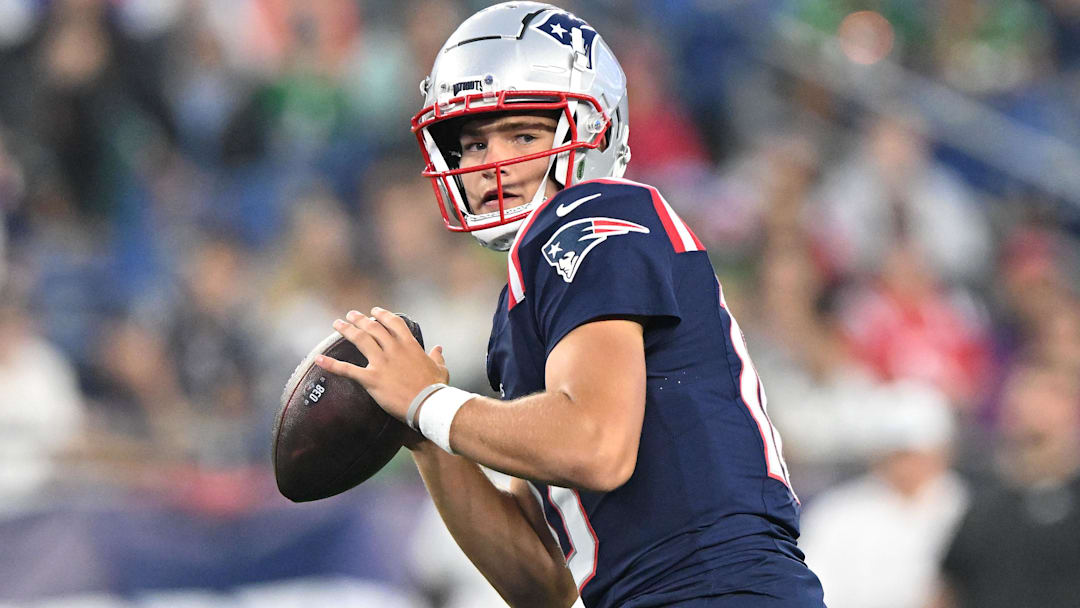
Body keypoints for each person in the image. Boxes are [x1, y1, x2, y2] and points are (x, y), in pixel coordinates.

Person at [318, 3, 825, 606]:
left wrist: (430, 403)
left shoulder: (591, 216)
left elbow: (596, 445)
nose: (491, 165)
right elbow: (543, 585)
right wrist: (427, 437)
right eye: (473, 144)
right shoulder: (527, 296)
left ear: (595, 131)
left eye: (523, 135)